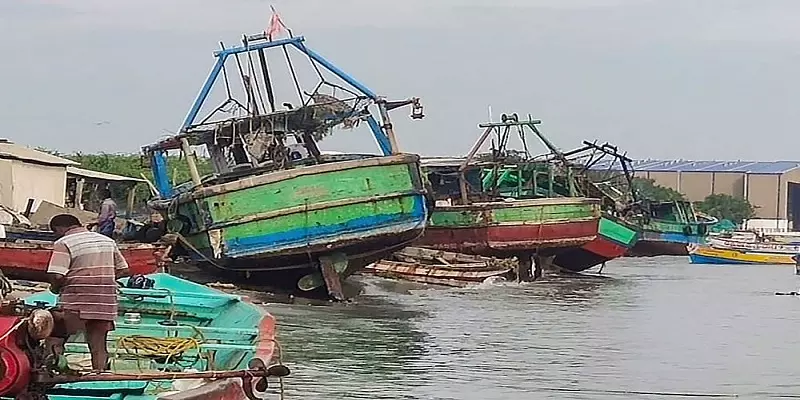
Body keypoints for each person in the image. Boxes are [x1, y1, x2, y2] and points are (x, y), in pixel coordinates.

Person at [46, 214, 130, 372]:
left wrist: (55, 288)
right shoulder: (107, 241)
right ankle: (100, 375)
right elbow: (124, 269)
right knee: (98, 344)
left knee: (56, 336)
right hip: (105, 302)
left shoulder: (64, 242)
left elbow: (57, 275)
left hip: (76, 301)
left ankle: (51, 372)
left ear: (59, 229)